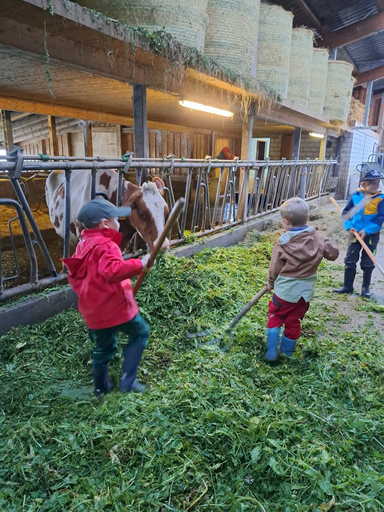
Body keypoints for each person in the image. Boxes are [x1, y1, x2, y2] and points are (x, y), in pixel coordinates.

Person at [63, 197, 153, 397]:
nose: (119, 223)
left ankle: (100, 388)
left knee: (104, 347)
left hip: (94, 313)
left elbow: (85, 276)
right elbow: (112, 270)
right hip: (115, 309)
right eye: (116, 219)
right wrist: (141, 263)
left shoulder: (83, 245)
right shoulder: (107, 245)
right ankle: (128, 381)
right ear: (105, 223)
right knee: (140, 333)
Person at [265, 197, 339, 362]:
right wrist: (323, 239)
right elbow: (333, 254)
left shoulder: (283, 242)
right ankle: (287, 354)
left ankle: (271, 352)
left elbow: (275, 267)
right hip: (304, 295)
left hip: (284, 293)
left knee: (275, 317)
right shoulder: (318, 238)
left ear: (286, 222)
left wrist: (271, 281)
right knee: (293, 320)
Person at [334, 169, 384, 298]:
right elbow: (346, 213)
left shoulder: (381, 199)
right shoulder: (355, 196)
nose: (375, 185)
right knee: (350, 260)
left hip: (371, 235)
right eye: (372, 182)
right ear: (363, 184)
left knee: (368, 262)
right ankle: (347, 287)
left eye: (377, 182)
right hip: (354, 234)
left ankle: (365, 289)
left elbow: (380, 219)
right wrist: (349, 227)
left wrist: (367, 230)